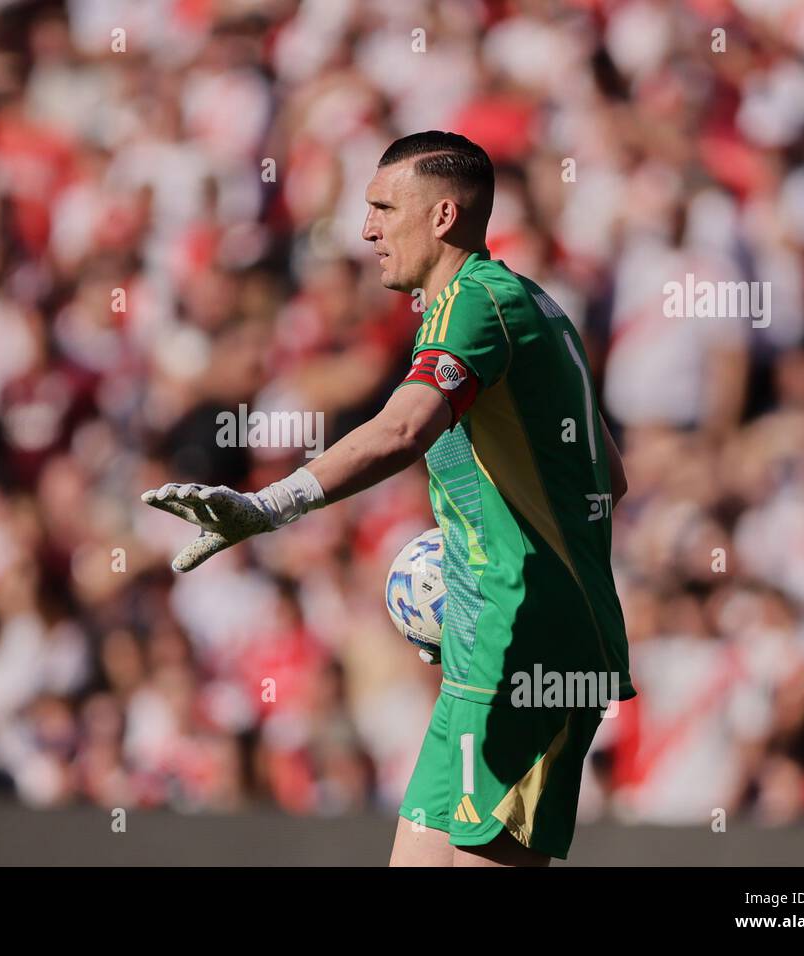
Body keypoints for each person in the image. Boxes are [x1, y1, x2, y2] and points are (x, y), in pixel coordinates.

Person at [142, 131, 635, 866]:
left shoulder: (473, 305)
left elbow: (403, 429)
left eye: (381, 207)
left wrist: (267, 506)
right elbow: (609, 476)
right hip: (492, 639)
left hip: (526, 651)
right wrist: (484, 562)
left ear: (441, 217)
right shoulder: (520, 302)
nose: (366, 228)